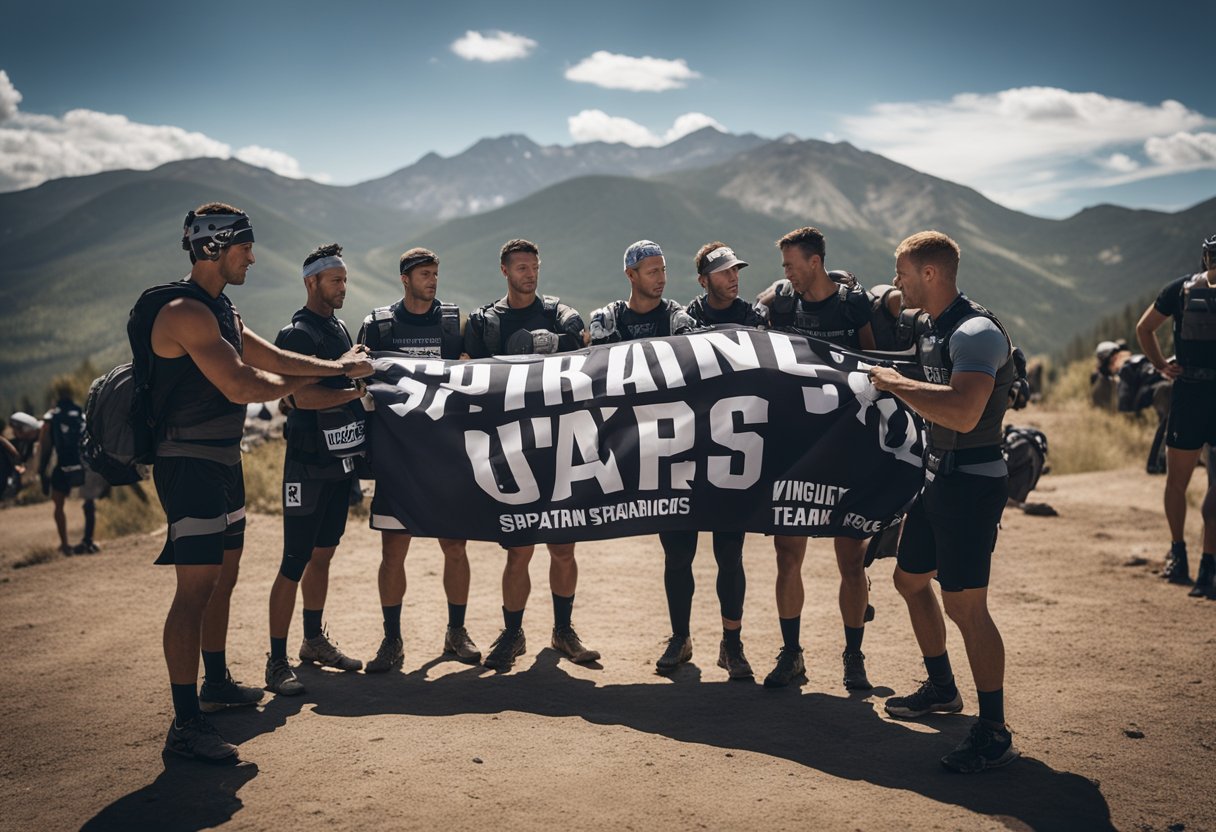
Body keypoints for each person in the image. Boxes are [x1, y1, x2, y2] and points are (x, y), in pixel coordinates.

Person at [149, 203, 372, 762]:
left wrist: (339, 369)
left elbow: (272, 356)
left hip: (224, 460)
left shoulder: (224, 311)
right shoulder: (184, 310)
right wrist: (327, 382)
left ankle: (217, 682)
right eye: (244, 246)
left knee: (224, 578)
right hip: (188, 461)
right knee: (194, 589)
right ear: (211, 248)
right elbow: (242, 383)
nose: (253, 255)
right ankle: (185, 722)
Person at [869, 230, 1019, 773]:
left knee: (965, 606)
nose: (897, 280)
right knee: (909, 582)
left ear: (929, 273)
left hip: (972, 485)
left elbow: (962, 413)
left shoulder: (975, 332)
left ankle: (994, 730)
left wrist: (896, 384)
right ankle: (941, 688)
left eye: (901, 271)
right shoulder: (931, 324)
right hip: (936, 480)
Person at [591, 241, 753, 677]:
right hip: (665, 457)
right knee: (678, 555)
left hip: (713, 450)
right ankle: (680, 640)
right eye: (651, 270)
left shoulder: (681, 321)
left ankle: (732, 644)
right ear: (631, 275)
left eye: (663, 269)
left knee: (729, 552)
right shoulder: (608, 321)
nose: (661, 277)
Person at [464, 239, 599, 670]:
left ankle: (563, 631)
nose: (530, 273)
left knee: (563, 546)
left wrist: (544, 340)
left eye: (534, 266)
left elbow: (583, 345)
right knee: (518, 550)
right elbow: (466, 375)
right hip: (512, 447)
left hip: (559, 443)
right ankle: (513, 632)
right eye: (521, 267)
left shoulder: (559, 312)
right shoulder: (485, 322)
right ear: (504, 270)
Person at [754, 227, 877, 692]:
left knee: (851, 560)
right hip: (796, 449)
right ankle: (792, 654)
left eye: (790, 265)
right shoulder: (784, 306)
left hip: (849, 449)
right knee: (788, 555)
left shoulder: (852, 306)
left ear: (815, 262)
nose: (786, 274)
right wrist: (773, 293)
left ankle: (854, 656)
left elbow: (873, 363)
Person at [357, 247, 481, 673]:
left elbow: (475, 377)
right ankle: (392, 640)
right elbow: (360, 379)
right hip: (397, 459)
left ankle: (457, 632)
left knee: (456, 546)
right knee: (393, 551)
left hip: (446, 456)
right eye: (425, 274)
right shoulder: (379, 325)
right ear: (404, 279)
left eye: (436, 273)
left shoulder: (452, 322)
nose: (433, 280)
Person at [264, 243, 368, 699]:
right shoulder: (297, 334)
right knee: (294, 562)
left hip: (339, 464)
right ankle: (275, 660)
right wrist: (356, 390)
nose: (343, 287)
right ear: (312, 283)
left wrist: (354, 372)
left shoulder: (339, 327)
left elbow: (341, 378)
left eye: (345, 279)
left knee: (324, 555)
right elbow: (302, 399)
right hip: (305, 466)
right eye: (335, 280)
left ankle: (313, 641)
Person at [1135, 233, 1216, 599]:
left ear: (1204, 257)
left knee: (1176, 482)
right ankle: (1208, 570)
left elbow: (1144, 328)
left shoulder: (1180, 289)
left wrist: (1161, 365)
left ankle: (1178, 554)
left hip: (1188, 395)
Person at [37, 382, 100, 555]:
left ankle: (65, 545)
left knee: (58, 504)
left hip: (62, 465)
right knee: (89, 502)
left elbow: (47, 449)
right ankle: (88, 541)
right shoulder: (81, 414)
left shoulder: (52, 417)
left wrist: (42, 473)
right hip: (83, 464)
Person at [683, 241, 766, 329]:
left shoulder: (752, 319)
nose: (733, 277)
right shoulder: (690, 319)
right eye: (724, 271)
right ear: (703, 280)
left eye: (734, 269)